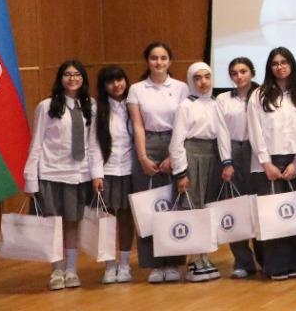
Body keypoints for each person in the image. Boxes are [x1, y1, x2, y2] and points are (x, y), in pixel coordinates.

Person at [24, 60, 102, 290]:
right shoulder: (47, 106)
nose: (72, 78)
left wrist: (97, 174)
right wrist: (31, 178)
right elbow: (36, 143)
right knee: (53, 224)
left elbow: (93, 144)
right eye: (67, 74)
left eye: (77, 74)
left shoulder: (91, 106)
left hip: (80, 174)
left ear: (83, 79)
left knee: (73, 223)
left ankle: (71, 269)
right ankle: (57, 269)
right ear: (60, 79)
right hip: (52, 174)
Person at [127, 42, 188, 282]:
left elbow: (184, 123)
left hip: (175, 142)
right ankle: (153, 264)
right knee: (149, 205)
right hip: (147, 143)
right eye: (154, 58)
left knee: (174, 203)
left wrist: (174, 155)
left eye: (163, 58)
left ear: (170, 61)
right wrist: (143, 157)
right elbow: (138, 125)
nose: (159, 62)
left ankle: (173, 262)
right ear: (147, 61)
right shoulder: (136, 89)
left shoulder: (181, 87)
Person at [168, 62, 232, 282]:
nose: (203, 82)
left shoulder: (217, 103)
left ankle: (206, 255)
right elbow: (176, 142)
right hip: (193, 155)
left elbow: (223, 134)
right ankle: (195, 258)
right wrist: (181, 172)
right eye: (197, 78)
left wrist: (226, 161)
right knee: (193, 206)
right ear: (190, 81)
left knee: (210, 207)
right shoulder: (185, 106)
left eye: (207, 77)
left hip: (213, 156)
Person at [249, 46, 296, 281]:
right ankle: (275, 266)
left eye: (284, 62)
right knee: (273, 216)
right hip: (267, 163)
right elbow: (255, 131)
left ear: (292, 65)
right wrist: (266, 163)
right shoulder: (259, 95)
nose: (280, 67)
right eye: (275, 63)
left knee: (295, 215)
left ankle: (295, 263)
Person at [215, 57, 260, 277]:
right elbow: (222, 131)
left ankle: (265, 257)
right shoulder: (223, 99)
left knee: (258, 205)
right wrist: (227, 161)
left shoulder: (262, 95)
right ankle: (242, 260)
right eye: (234, 73)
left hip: (256, 150)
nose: (239, 76)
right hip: (233, 150)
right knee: (235, 206)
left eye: (243, 71)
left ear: (252, 72)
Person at [93, 65, 137, 284]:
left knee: (127, 218)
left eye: (119, 79)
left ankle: (125, 263)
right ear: (103, 86)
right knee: (106, 221)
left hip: (130, 169)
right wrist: (97, 174)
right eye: (110, 81)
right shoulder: (97, 109)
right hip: (107, 171)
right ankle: (110, 265)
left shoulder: (134, 105)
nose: (116, 85)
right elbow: (93, 144)